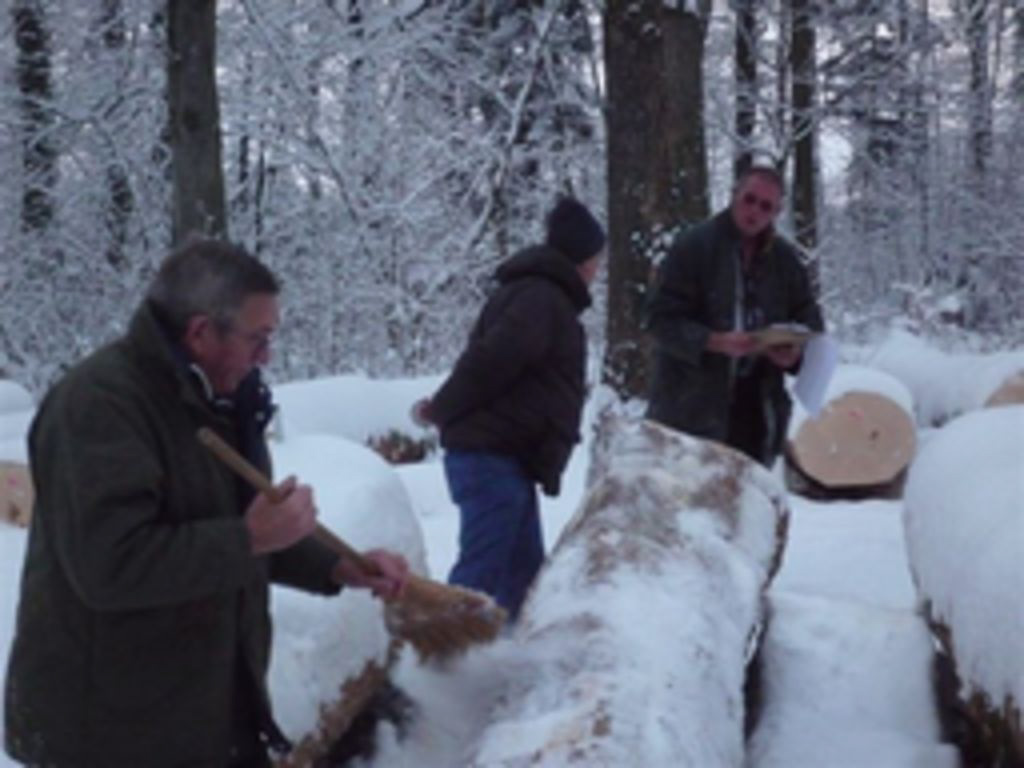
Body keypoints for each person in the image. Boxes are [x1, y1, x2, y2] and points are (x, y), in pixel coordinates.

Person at [4, 239, 409, 767]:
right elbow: (109, 566)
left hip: (203, 708)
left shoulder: (222, 399)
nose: (266, 356)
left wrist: (337, 566)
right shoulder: (99, 406)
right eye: (257, 338)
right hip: (110, 729)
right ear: (200, 332)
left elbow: (236, 527)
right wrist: (252, 537)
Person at [413, 197, 605, 621]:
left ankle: (510, 655)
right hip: (489, 457)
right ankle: (438, 652)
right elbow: (491, 361)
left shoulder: (542, 297)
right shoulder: (541, 299)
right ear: (580, 259)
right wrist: (442, 408)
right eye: (595, 259)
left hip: (508, 460)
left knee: (523, 581)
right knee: (480, 577)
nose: (598, 269)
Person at [645, 165, 824, 467]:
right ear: (734, 195)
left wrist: (793, 355)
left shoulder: (784, 261)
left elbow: (810, 320)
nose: (754, 212)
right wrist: (713, 341)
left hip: (757, 409)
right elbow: (659, 319)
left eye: (766, 206)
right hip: (690, 407)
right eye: (749, 200)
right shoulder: (694, 247)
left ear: (776, 212)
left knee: (747, 494)